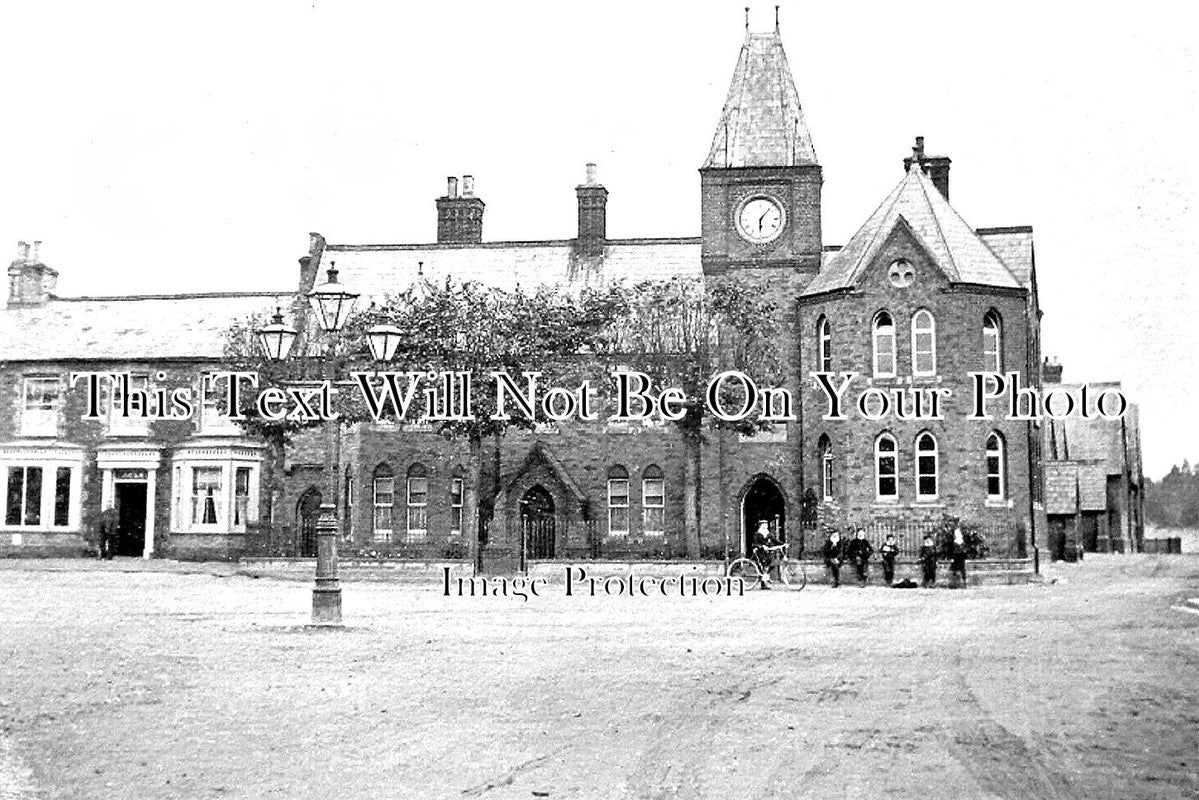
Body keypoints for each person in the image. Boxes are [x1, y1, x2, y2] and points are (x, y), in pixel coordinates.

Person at [752, 520, 782, 589]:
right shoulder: (757, 534)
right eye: (764, 524)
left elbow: (775, 540)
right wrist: (762, 546)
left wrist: (783, 544)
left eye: (766, 524)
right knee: (763, 567)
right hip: (760, 552)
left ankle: (765, 577)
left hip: (768, 552)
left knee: (773, 563)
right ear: (761, 525)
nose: (765, 525)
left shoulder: (768, 534)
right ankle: (763, 584)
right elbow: (754, 543)